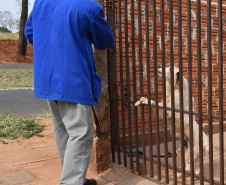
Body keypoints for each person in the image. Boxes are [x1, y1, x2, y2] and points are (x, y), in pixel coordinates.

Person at [24, 0, 114, 184]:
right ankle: (71, 182)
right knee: (80, 133)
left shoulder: (42, 2)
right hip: (74, 79)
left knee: (63, 132)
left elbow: (30, 33)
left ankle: (76, 179)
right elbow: (104, 41)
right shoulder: (89, 7)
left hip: (47, 79)